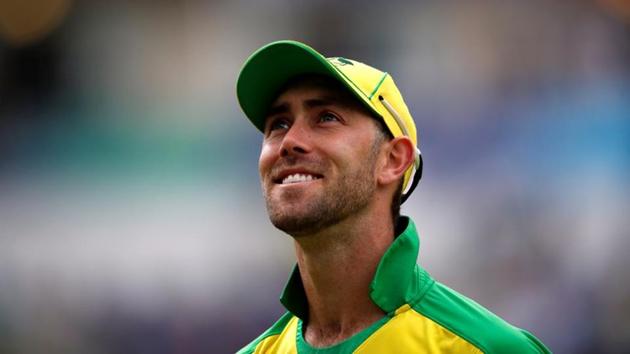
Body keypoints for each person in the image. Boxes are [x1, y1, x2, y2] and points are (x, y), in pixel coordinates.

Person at [235, 40, 550, 354]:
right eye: (279, 124)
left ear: (393, 160)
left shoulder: (489, 348)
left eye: (326, 117)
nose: (290, 141)